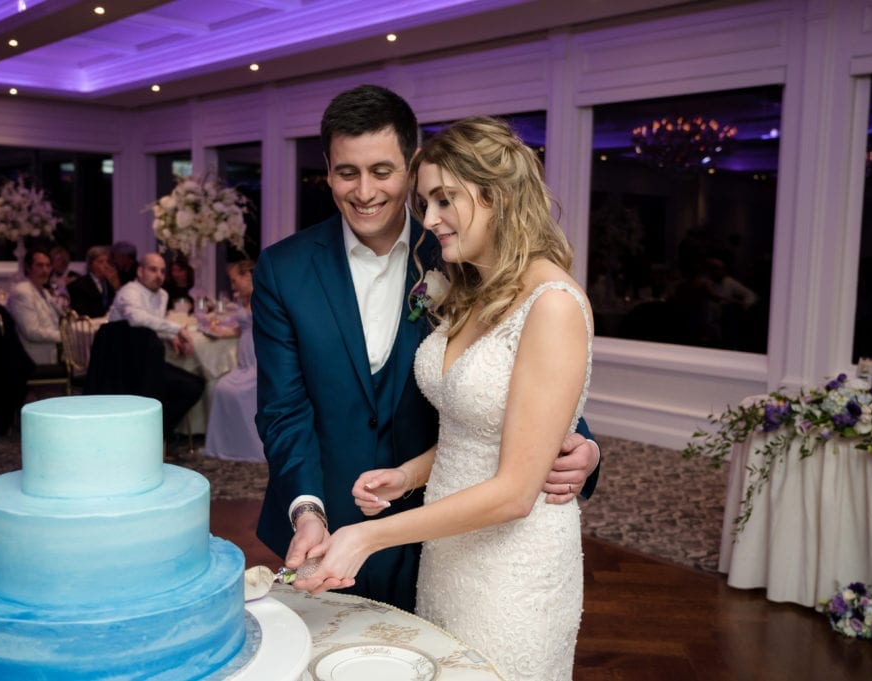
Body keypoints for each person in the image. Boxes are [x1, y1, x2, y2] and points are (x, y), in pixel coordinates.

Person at [252, 84, 600, 612]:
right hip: (322, 534)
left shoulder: (461, 255)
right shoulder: (283, 269)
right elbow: (283, 410)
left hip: (444, 530)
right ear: (327, 169)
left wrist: (585, 447)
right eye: (347, 172)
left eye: (383, 171)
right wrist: (307, 509)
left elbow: (528, 372)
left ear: (412, 165)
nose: (364, 191)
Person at [107, 252, 204, 436]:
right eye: (153, 270)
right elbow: (137, 319)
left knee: (194, 386)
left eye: (162, 271)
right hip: (123, 365)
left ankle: (156, 432)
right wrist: (177, 330)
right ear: (140, 271)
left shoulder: (162, 294)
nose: (159, 275)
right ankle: (148, 434)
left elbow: (152, 324)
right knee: (183, 387)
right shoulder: (129, 291)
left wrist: (169, 336)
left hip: (148, 361)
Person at [203, 260, 263, 462]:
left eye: (234, 280)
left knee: (239, 392)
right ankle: (226, 446)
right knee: (221, 388)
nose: (232, 285)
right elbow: (241, 327)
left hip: (259, 358)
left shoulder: (263, 295)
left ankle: (253, 447)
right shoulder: (242, 299)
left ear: (247, 276)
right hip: (244, 361)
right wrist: (221, 332)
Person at [6, 249, 63, 365]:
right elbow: (31, 332)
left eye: (48, 266)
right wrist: (64, 336)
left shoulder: (43, 291)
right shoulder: (22, 292)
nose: (45, 270)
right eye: (40, 265)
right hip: (33, 359)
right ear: (28, 267)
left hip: (51, 351)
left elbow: (59, 318)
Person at [67, 245, 119, 318]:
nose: (106, 265)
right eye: (101, 262)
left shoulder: (110, 283)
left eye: (107, 261)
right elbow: (82, 312)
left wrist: (116, 286)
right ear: (91, 264)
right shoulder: (79, 285)